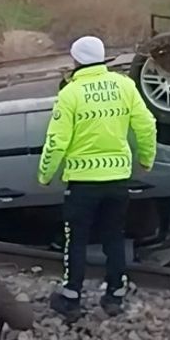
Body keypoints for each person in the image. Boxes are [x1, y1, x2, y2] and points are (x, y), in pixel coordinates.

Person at [37, 34, 158, 320]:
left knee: (75, 239)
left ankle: (71, 298)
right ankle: (114, 294)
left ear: (77, 60)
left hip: (82, 183)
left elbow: (57, 141)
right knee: (113, 236)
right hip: (117, 178)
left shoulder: (71, 94)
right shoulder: (125, 86)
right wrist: (146, 158)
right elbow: (147, 125)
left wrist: (45, 174)